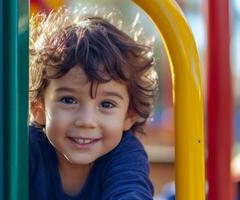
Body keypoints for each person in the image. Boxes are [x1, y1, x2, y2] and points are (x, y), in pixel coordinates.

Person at [28, 7, 157, 200]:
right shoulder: (27, 149)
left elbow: (131, 192)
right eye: (68, 100)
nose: (86, 121)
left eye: (106, 104)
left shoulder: (125, 154)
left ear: (129, 116)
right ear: (38, 108)